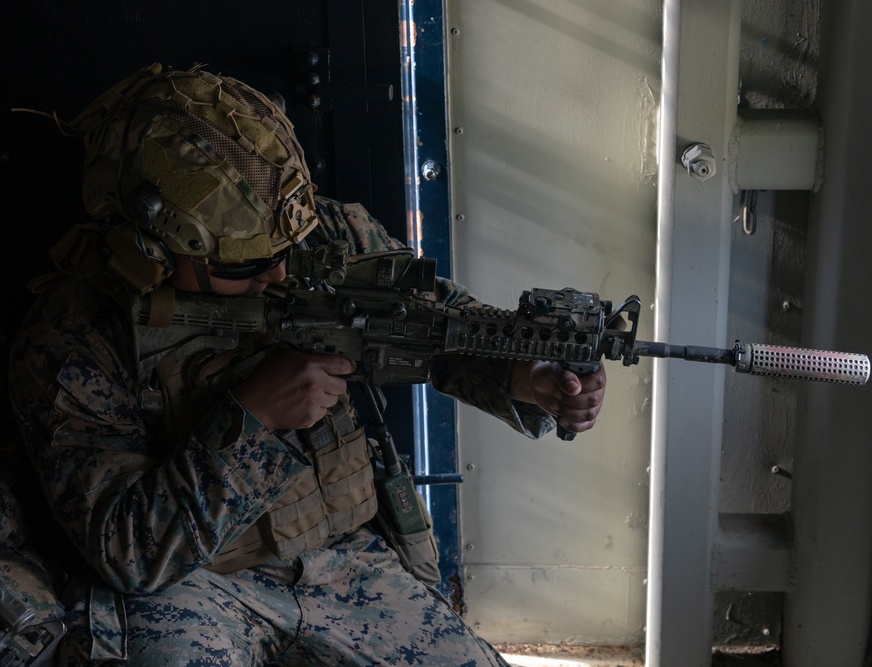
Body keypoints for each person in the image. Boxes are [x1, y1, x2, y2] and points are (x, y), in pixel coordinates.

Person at [7, 63, 607, 666]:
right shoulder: (75, 336)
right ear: (151, 249)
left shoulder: (320, 238)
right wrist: (254, 419)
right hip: (191, 588)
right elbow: (126, 550)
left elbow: (436, 324)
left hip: (343, 561)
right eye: (244, 267)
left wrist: (522, 377)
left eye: (284, 252)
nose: (278, 275)